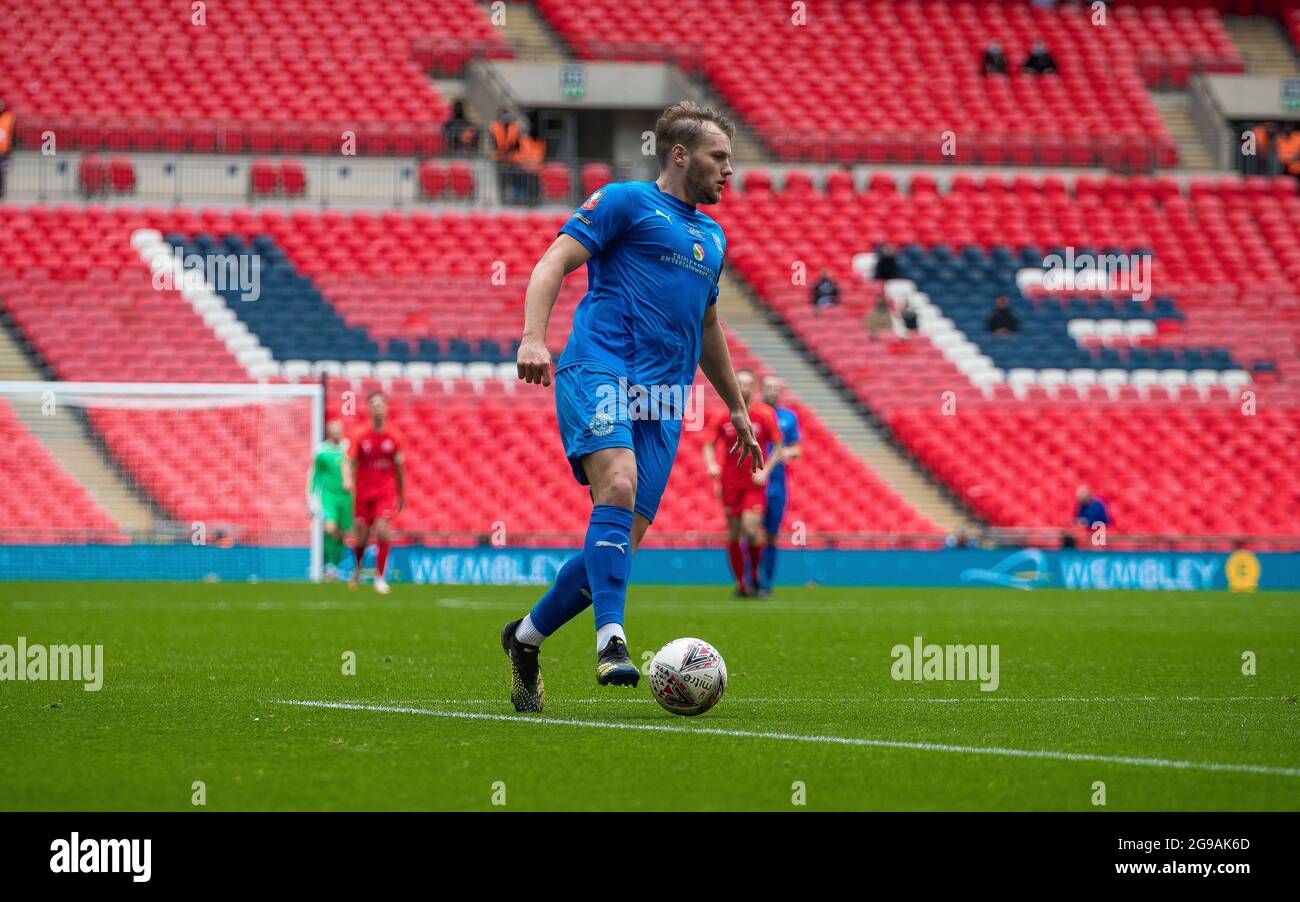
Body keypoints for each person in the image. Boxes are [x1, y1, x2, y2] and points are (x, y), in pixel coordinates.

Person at [506, 100, 755, 712]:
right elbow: (553, 262)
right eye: (718, 157)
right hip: (601, 368)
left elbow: (708, 324)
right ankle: (612, 642)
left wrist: (738, 408)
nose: (729, 170)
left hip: (664, 399)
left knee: (610, 555)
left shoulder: (712, 237)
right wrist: (534, 337)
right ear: (679, 154)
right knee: (616, 484)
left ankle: (524, 639)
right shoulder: (623, 202)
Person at [704, 370, 783, 598]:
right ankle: (741, 584)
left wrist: (765, 471)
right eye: (741, 384)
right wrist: (711, 465)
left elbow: (778, 447)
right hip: (730, 481)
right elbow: (708, 445)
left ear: (755, 388)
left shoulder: (764, 415)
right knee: (734, 532)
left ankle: (755, 576)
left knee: (751, 529)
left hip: (754, 480)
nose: (745, 388)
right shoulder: (722, 416)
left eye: (749, 384)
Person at [347, 392, 405, 595]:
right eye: (374, 405)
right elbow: (350, 461)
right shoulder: (360, 435)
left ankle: (380, 577)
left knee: (382, 530)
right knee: (361, 537)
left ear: (386, 408)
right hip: (363, 493)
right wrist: (347, 480)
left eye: (381, 404)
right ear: (369, 409)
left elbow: (399, 468)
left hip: (385, 493)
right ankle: (358, 570)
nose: (378, 408)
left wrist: (401, 493)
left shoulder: (395, 436)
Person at [758, 375, 800, 595]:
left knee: (772, 535)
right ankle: (749, 580)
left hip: (776, 484)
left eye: (777, 389)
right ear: (761, 390)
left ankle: (767, 582)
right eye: (769, 388)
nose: (773, 392)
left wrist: (786, 452)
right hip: (753, 481)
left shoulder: (788, 417)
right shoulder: (752, 414)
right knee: (751, 532)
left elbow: (796, 448)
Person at [306, 419, 353, 582]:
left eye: (337, 429)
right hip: (328, 496)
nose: (335, 432)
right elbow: (315, 474)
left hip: (346, 497)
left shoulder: (348, 449)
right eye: (332, 429)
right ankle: (328, 566)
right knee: (330, 527)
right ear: (327, 431)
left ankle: (334, 566)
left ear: (342, 430)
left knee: (342, 533)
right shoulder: (321, 451)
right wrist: (312, 496)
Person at [489, 107, 520, 203]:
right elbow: (493, 142)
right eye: (503, 114)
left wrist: (510, 149)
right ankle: (502, 198)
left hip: (511, 158)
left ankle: (513, 198)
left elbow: (517, 143)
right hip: (499, 157)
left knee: (513, 178)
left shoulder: (514, 126)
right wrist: (502, 150)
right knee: (501, 179)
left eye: (507, 114)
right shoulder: (494, 126)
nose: (505, 117)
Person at [515, 116, 546, 206]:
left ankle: (533, 201)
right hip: (528, 168)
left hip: (533, 168)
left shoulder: (535, 142)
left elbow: (537, 154)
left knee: (533, 187)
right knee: (527, 186)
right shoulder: (525, 141)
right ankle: (528, 201)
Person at [0, 99, 14, 199]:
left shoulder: (8, 118)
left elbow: (12, 136)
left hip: (4, 152)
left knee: (3, 173)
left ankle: (1, 192)